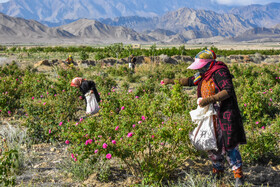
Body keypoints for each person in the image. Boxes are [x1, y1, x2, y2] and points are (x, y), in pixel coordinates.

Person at [162, 49, 246, 187]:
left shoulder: (219, 71)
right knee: (212, 143)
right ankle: (217, 173)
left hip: (224, 114)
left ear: (208, 64)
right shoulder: (203, 74)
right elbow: (190, 81)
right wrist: (170, 81)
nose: (199, 69)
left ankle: (238, 177)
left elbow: (228, 90)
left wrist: (209, 99)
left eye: (200, 66)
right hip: (210, 115)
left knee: (229, 144)